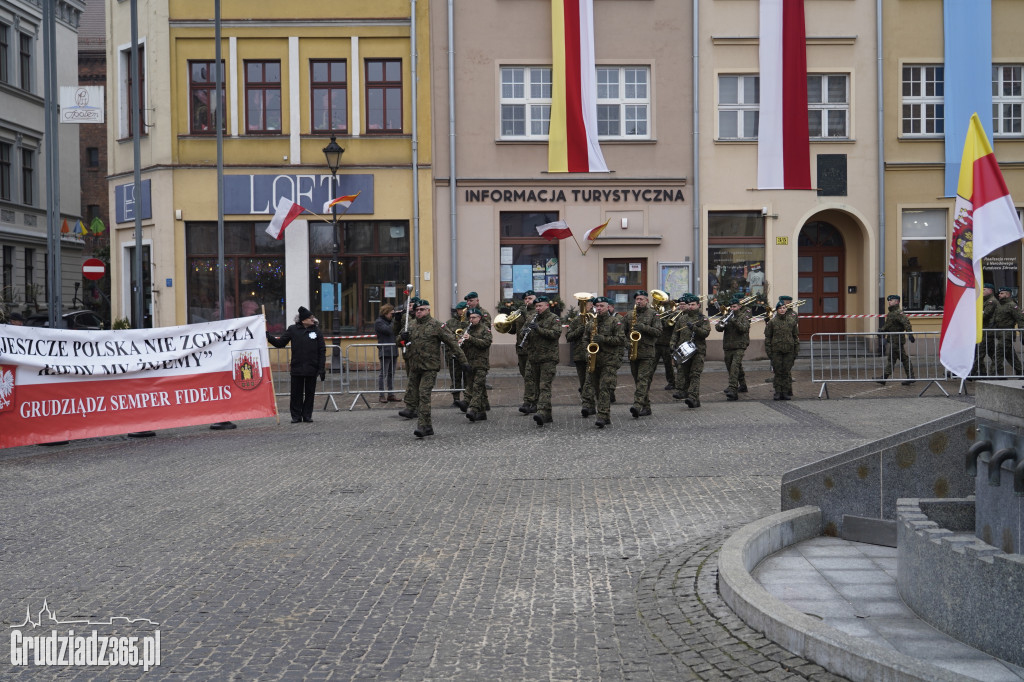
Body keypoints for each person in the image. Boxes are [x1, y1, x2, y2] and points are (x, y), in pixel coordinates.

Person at [397, 299, 470, 438]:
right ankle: (428, 426)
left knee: (424, 394)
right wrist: (402, 337)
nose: (419, 312)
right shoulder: (410, 325)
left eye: (422, 310)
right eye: (417, 310)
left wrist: (463, 361)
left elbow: (452, 343)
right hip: (414, 366)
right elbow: (398, 341)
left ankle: (423, 426)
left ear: (428, 310)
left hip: (429, 367)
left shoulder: (437, 325)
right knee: (413, 395)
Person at [266, 306, 326, 423]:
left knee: (310, 393)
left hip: (311, 367)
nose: (313, 320)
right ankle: (296, 416)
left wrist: (321, 368)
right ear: (303, 319)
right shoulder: (292, 330)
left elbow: (322, 350)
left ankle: (307, 415)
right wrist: (269, 337)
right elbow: (280, 343)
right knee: (296, 393)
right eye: (310, 318)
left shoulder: (316, 331)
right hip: (297, 367)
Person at [521, 294, 563, 427]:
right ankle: (547, 415)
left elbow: (555, 334)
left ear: (547, 306)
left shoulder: (553, 318)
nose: (538, 308)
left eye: (540, 306)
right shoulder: (531, 318)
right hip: (534, 358)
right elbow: (522, 332)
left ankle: (541, 412)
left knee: (544, 386)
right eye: (536, 306)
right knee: (537, 387)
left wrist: (538, 329)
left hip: (548, 358)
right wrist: (525, 332)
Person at [584, 297, 624, 428]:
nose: (599, 308)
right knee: (596, 389)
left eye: (601, 306)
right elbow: (585, 339)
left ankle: (601, 415)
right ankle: (605, 416)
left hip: (609, 360)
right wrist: (587, 351)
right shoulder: (591, 323)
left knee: (604, 388)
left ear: (608, 307)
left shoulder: (615, 321)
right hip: (595, 360)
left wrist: (603, 339)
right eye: (597, 306)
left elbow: (620, 340)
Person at [626, 290, 662, 418]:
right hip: (633, 352)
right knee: (638, 380)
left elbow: (658, 332)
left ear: (647, 301)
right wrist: (627, 344)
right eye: (637, 299)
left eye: (641, 299)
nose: (639, 301)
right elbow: (622, 333)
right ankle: (647, 407)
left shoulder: (653, 314)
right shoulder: (630, 315)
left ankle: (637, 405)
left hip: (647, 352)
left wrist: (644, 327)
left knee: (642, 380)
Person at [670, 293, 710, 408]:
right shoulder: (682, 318)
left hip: (698, 351)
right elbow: (675, 333)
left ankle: (692, 397)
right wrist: (672, 344)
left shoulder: (703, 319)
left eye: (693, 304)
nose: (691, 307)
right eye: (689, 304)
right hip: (683, 351)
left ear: (698, 305)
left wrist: (695, 328)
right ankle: (688, 395)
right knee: (683, 373)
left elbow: (705, 333)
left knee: (695, 374)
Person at [717, 293, 751, 401]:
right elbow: (718, 327)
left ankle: (733, 389)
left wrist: (733, 320)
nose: (732, 308)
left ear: (739, 307)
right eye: (731, 307)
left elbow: (744, 328)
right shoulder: (727, 315)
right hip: (728, 345)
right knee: (732, 367)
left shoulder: (743, 316)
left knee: (734, 367)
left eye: (734, 307)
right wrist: (722, 324)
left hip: (740, 345)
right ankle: (743, 385)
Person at [461, 308, 493, 422]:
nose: (471, 320)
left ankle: (473, 409)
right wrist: (461, 342)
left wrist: (471, 339)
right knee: (471, 385)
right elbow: (465, 346)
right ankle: (482, 412)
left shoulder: (485, 329)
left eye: (474, 317)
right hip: (470, 362)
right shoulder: (467, 330)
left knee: (477, 386)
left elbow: (486, 343)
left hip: (481, 363)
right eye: (470, 317)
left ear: (479, 318)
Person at [765, 297, 799, 400]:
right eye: (780, 308)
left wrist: (795, 351)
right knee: (778, 372)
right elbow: (768, 338)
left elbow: (795, 337)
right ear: (777, 310)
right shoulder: (772, 322)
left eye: (784, 307)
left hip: (789, 351)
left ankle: (785, 392)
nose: (782, 309)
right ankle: (778, 391)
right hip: (776, 351)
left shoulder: (791, 321)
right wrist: (769, 352)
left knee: (786, 372)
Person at [878, 294, 915, 385]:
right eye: (889, 300)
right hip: (893, 339)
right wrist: (882, 330)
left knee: (899, 358)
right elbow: (889, 325)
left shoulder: (898, 312)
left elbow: (906, 322)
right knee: (895, 359)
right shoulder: (892, 313)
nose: (889, 302)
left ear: (897, 302)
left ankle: (910, 377)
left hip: (897, 340)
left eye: (891, 300)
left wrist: (910, 333)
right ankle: (885, 378)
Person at [565, 296, 596, 394]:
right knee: (583, 379)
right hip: (580, 354)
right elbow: (568, 337)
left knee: (592, 378)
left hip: (594, 353)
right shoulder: (576, 320)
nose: (585, 307)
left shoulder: (596, 318)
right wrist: (580, 329)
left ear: (591, 306)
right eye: (583, 305)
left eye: (587, 305)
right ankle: (586, 397)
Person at [991, 286, 1024, 376]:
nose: (999, 295)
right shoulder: (999, 305)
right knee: (1010, 356)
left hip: (1007, 334)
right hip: (1000, 333)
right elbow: (995, 318)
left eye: (1002, 293)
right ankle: (1020, 371)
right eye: (999, 293)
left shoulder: (1012, 305)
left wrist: (1022, 333)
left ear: (1008, 294)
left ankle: (991, 374)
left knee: (998, 354)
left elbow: (1021, 319)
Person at [514, 290, 538, 412]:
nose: (527, 301)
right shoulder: (520, 313)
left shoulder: (537, 311)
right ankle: (534, 400)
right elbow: (514, 330)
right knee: (526, 376)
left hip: (532, 349)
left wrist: (523, 314)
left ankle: (528, 402)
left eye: (530, 298)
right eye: (525, 299)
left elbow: (531, 325)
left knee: (530, 376)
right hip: (521, 349)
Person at [444, 301, 469, 408]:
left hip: (467, 353)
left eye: (463, 309)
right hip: (453, 354)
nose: (461, 312)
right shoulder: (450, 322)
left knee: (468, 378)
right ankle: (456, 399)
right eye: (459, 310)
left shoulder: (470, 321)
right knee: (455, 377)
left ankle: (468, 398)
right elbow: (446, 336)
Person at [374, 303, 400, 403]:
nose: (392, 316)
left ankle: (391, 394)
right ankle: (381, 395)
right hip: (385, 351)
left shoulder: (390, 321)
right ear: (385, 313)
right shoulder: (379, 322)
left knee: (391, 374)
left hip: (393, 350)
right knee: (383, 374)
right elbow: (389, 330)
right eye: (391, 314)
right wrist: (395, 320)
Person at [972, 283, 997, 377]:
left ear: (990, 291)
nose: (982, 291)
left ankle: (973, 372)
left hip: (988, 330)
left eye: (985, 289)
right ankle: (984, 372)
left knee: (980, 353)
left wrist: (977, 314)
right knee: (992, 354)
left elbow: (985, 315)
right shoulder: (985, 301)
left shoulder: (992, 301)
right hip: (984, 330)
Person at [653, 293, 676, 390]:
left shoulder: (672, 309)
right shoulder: (655, 307)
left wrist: (660, 320)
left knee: (668, 365)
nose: (661, 299)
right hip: (655, 341)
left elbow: (670, 324)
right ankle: (646, 382)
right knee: (651, 364)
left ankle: (672, 382)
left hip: (667, 341)